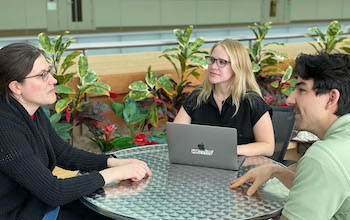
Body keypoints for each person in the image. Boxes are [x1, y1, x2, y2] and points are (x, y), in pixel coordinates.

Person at [0, 43, 152, 220]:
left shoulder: (29, 109)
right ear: (16, 87)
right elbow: (53, 192)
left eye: (48, 72)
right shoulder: (5, 128)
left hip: (38, 204)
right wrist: (114, 174)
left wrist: (112, 162)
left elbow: (64, 153)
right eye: (42, 75)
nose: (53, 80)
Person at [230, 53, 350, 219]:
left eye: (301, 90)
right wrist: (277, 171)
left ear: (331, 98)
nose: (290, 99)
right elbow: (324, 189)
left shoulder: (324, 158)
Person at [174, 39, 274, 156]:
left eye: (222, 62)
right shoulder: (197, 98)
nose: (213, 66)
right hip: (201, 166)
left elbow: (268, 146)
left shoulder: (252, 102)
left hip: (242, 170)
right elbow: (176, 138)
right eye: (212, 60)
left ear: (238, 66)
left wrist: (228, 151)